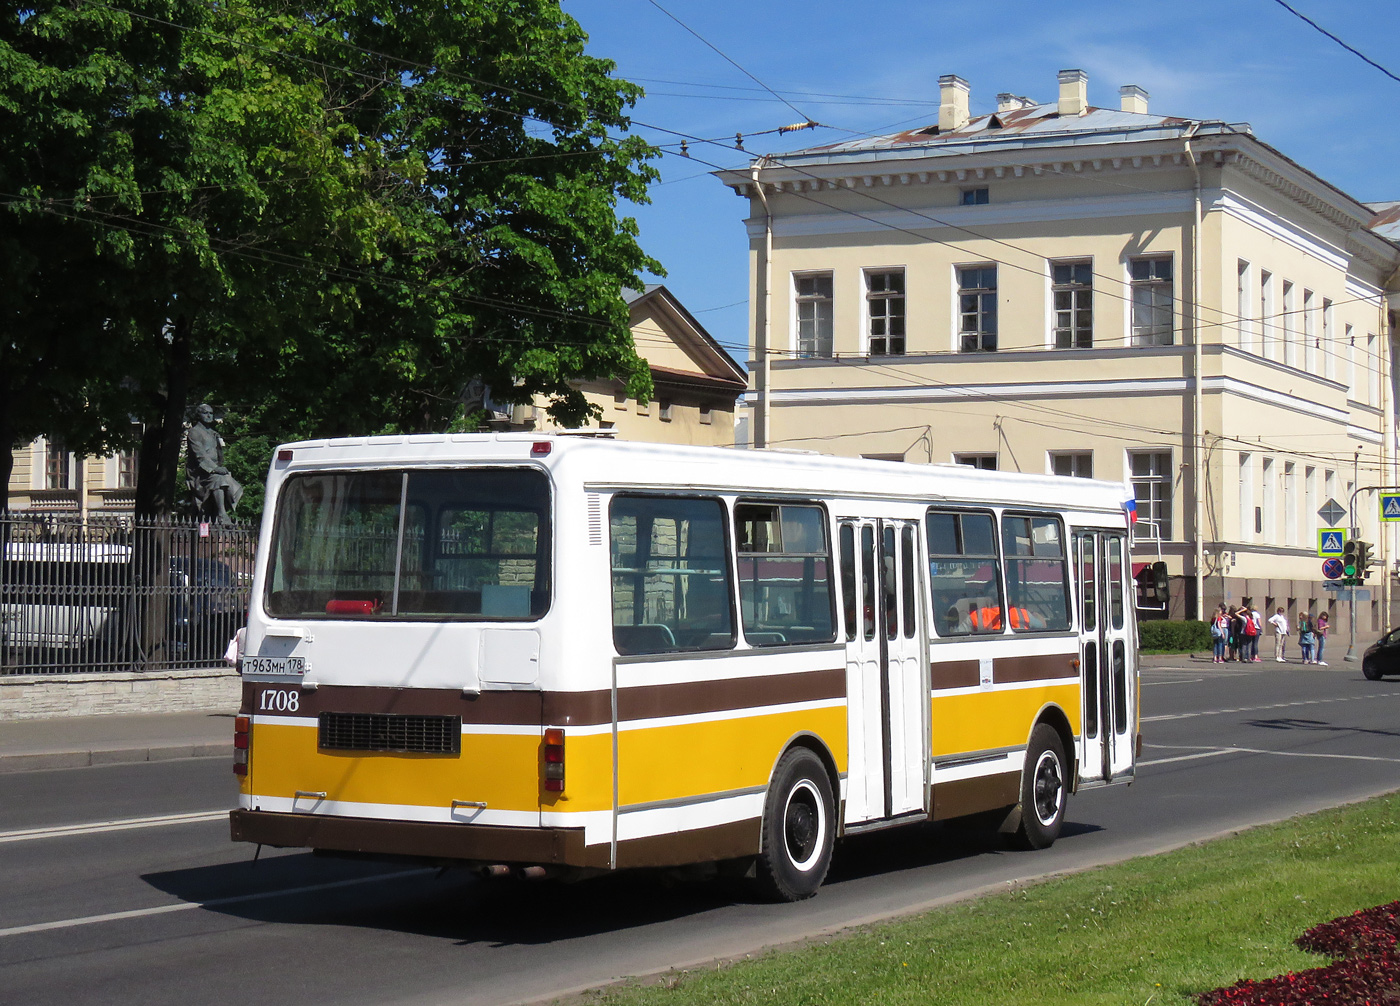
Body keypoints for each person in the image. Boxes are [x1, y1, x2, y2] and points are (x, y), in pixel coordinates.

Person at [185, 403, 243, 522]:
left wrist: (220, 466)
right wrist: (215, 469)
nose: (209, 416)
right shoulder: (194, 432)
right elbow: (200, 455)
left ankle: (220, 511)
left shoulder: (213, 433)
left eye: (211, 413)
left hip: (213, 471)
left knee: (230, 482)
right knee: (219, 480)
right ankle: (222, 513)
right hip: (200, 474)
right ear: (199, 415)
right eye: (205, 413)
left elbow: (219, 454)